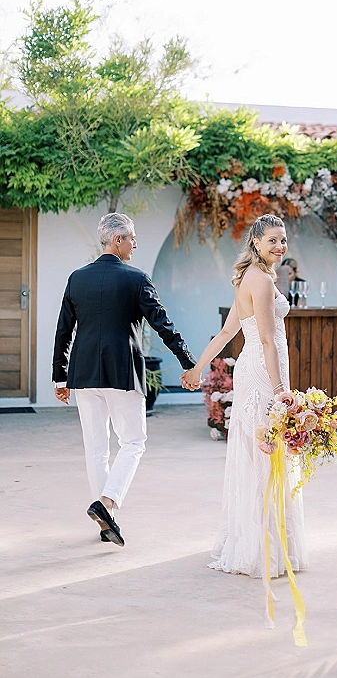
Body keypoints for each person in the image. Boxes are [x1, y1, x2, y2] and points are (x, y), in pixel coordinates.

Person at [52, 212, 198, 547]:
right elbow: (163, 325)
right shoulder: (136, 279)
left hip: (84, 372)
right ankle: (106, 504)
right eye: (132, 238)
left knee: (96, 447)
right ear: (118, 240)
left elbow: (63, 331)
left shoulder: (77, 278)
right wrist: (189, 363)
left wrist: (60, 377)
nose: (135, 243)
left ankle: (106, 522)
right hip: (122, 371)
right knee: (133, 442)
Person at [182, 214, 308, 578]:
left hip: (253, 367)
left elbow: (225, 334)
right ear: (256, 242)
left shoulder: (250, 277)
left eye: (283, 240)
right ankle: (263, 546)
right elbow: (267, 339)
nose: (280, 246)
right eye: (272, 240)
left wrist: (197, 369)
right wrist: (281, 388)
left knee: (257, 452)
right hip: (263, 370)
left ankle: (252, 538)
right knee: (267, 450)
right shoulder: (263, 282)